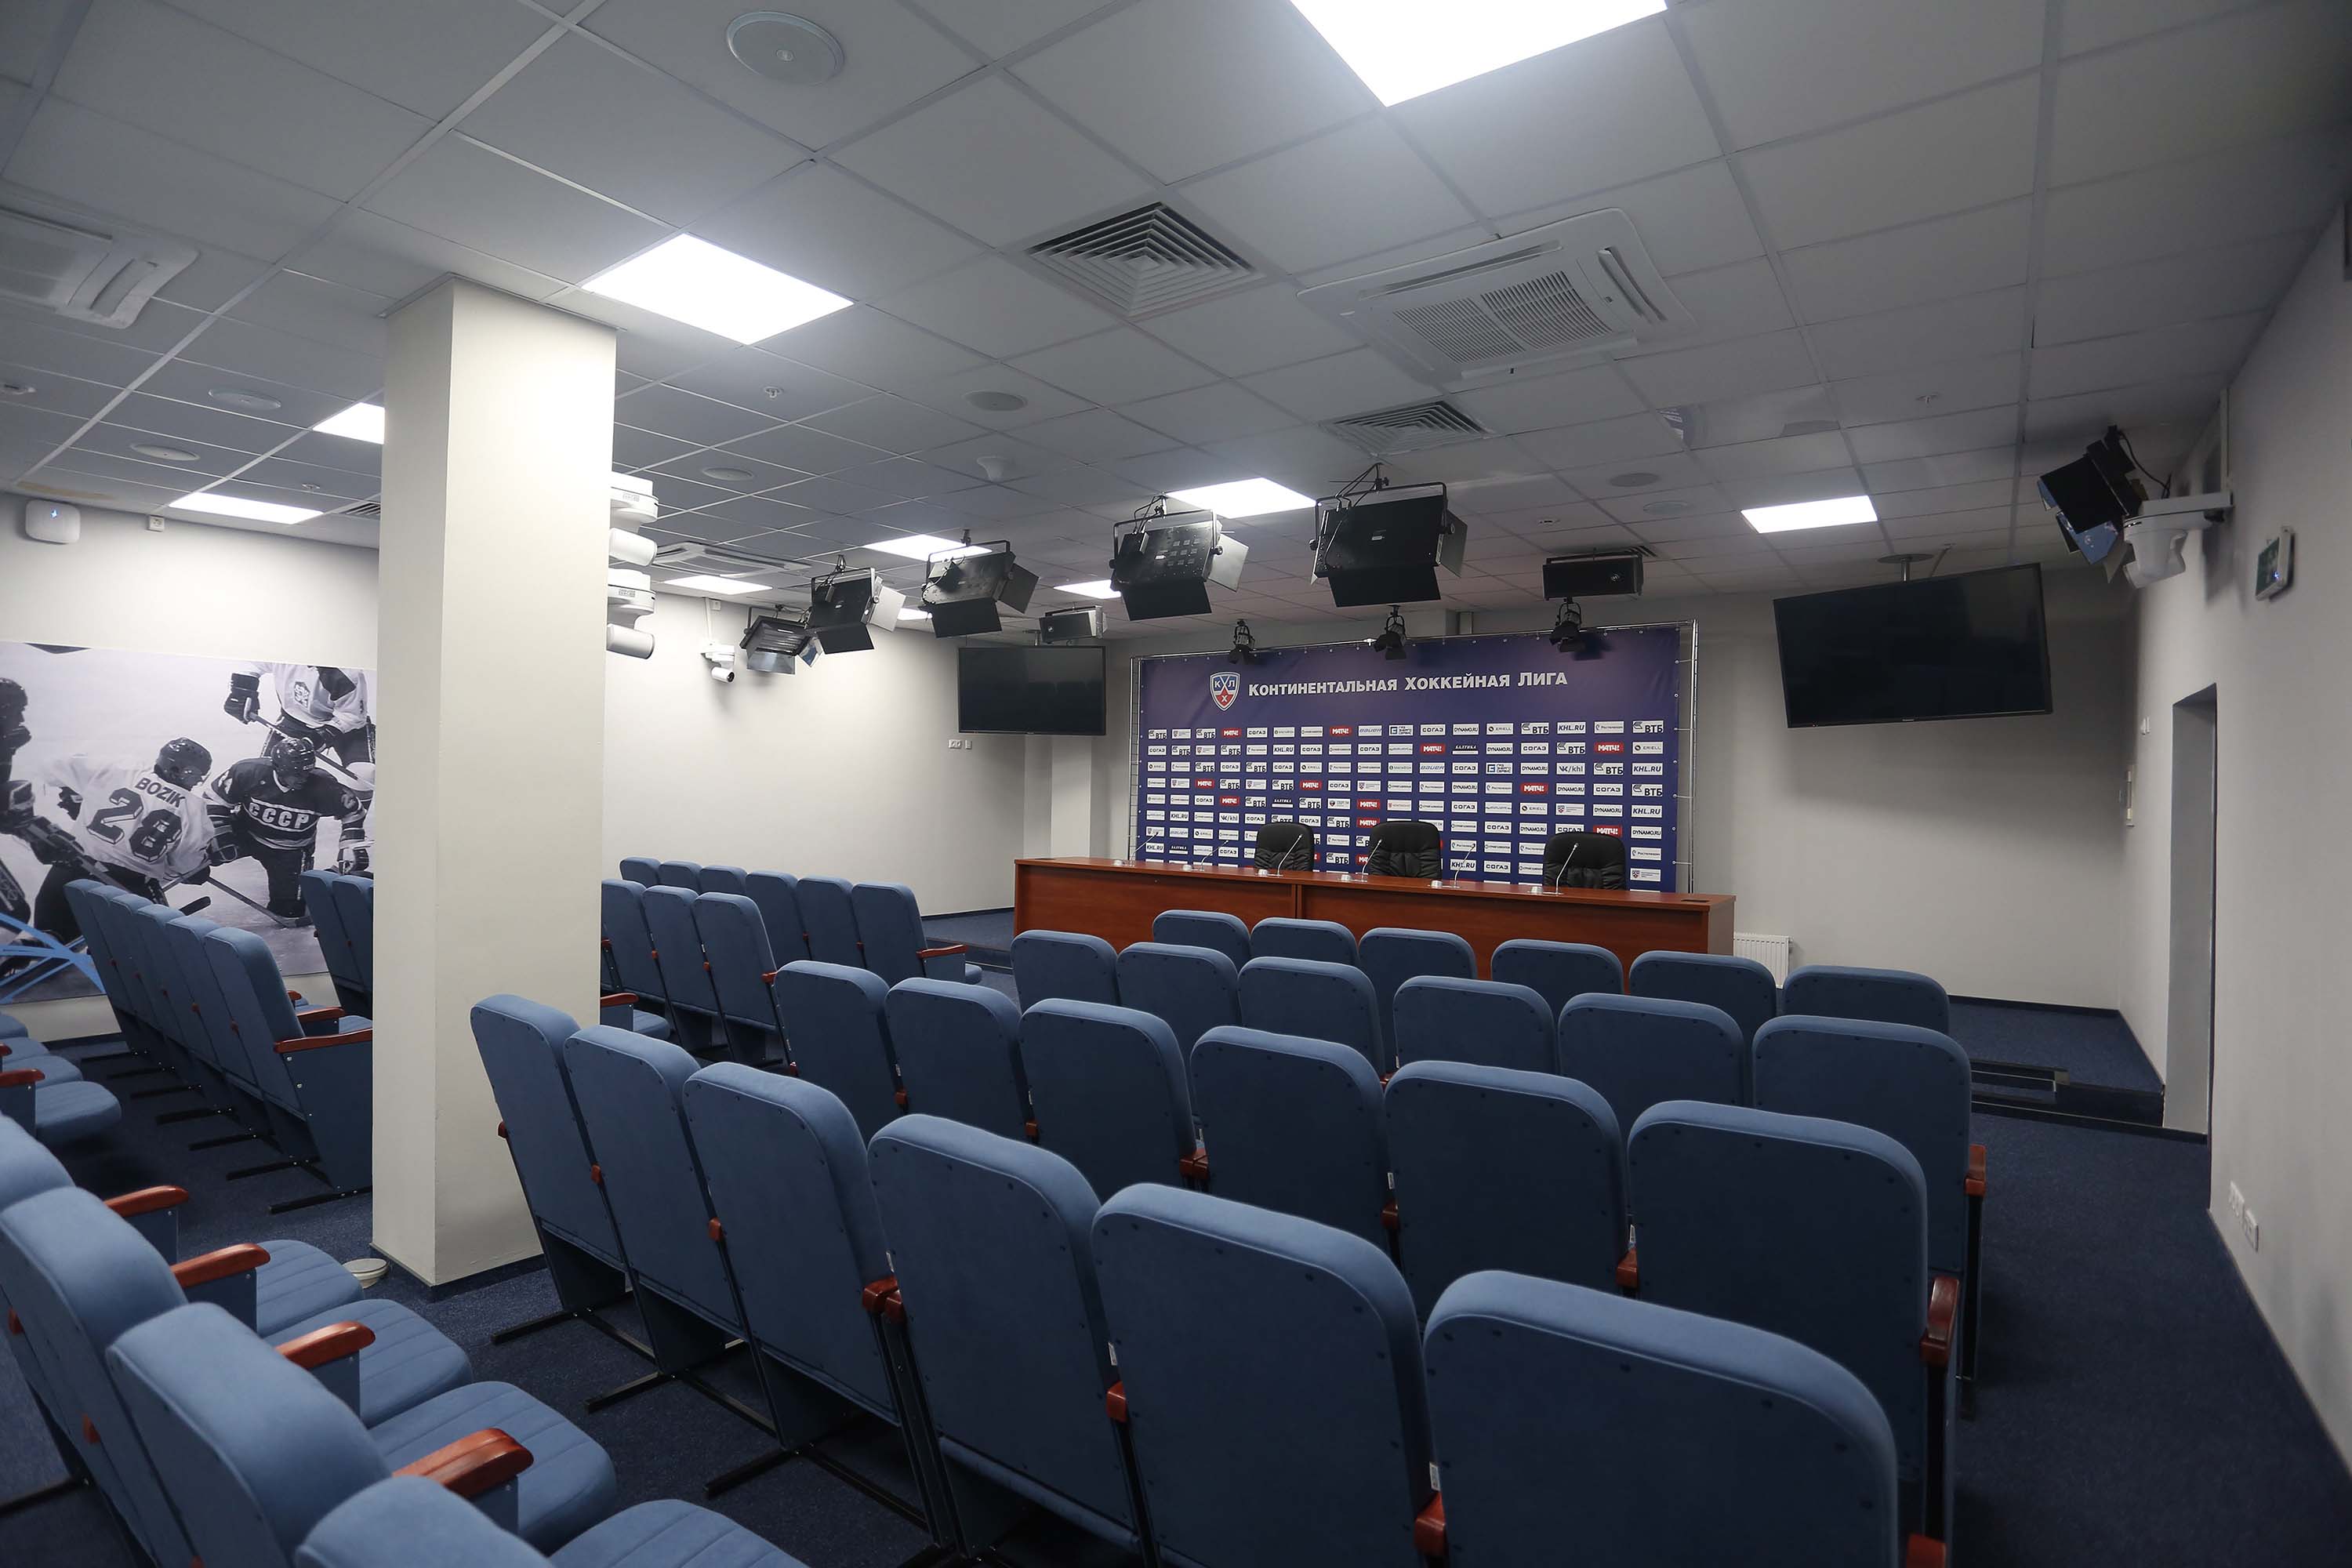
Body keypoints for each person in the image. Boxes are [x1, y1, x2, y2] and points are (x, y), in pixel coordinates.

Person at [16, 737, 218, 942]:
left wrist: (74, 790)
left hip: (70, 869)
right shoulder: (194, 810)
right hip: (127, 886)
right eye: (197, 775)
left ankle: (29, 949)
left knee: (49, 940)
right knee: (141, 947)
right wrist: (194, 870)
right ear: (179, 770)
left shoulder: (121, 768)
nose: (198, 782)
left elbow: (51, 766)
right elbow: (185, 864)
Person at [206, 731, 364, 921]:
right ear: (278, 768)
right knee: (197, 852)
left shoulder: (323, 785)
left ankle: (325, 877)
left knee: (289, 911)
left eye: (307, 771)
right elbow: (214, 800)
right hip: (245, 833)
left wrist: (350, 846)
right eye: (296, 773)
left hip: (290, 852)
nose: (303, 777)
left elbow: (354, 811)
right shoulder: (248, 771)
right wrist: (220, 835)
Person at [223, 662, 374, 770]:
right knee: (269, 772)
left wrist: (320, 738)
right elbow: (253, 661)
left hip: (349, 730)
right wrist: (241, 691)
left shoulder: (347, 673)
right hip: (294, 721)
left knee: (364, 772)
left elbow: (352, 717)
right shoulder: (285, 647)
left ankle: (356, 807)